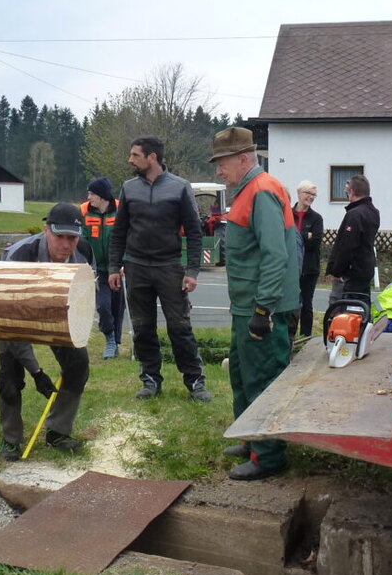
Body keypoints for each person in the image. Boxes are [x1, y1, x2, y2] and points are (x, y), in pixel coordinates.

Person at [210, 127, 300, 481]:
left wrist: (264, 309)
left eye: (223, 163)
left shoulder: (262, 191)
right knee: (242, 374)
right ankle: (250, 437)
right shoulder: (249, 190)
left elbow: (275, 256)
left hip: (263, 308)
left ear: (244, 159)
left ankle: (269, 456)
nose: (219, 171)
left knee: (263, 379)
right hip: (246, 306)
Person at [108, 136, 212, 402]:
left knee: (180, 327)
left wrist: (192, 271)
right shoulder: (129, 188)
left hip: (169, 267)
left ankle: (195, 382)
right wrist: (113, 267)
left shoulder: (180, 187)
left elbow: (194, 231)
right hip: (136, 267)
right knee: (143, 328)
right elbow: (119, 231)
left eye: (135, 155)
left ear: (152, 157)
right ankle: (150, 380)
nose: (130, 160)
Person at [0, 203, 93, 462]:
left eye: (72, 238)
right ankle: (10, 439)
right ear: (46, 230)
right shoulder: (19, 256)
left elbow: (83, 297)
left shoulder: (84, 252)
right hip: (14, 313)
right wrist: (37, 372)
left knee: (78, 364)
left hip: (58, 312)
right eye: (60, 237)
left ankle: (58, 432)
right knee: (9, 376)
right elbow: (12, 323)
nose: (66, 245)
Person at [81, 176, 124, 359]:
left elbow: (129, 236)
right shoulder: (84, 211)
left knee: (117, 307)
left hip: (117, 269)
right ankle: (109, 339)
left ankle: (115, 342)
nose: (88, 197)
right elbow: (81, 241)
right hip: (96, 270)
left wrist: (124, 263)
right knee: (103, 306)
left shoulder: (121, 209)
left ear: (102, 195)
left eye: (92, 193)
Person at [326, 174, 380, 303]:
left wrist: (338, 271)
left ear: (352, 192)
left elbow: (347, 246)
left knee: (340, 307)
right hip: (365, 270)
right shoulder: (374, 212)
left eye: (347, 193)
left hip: (351, 274)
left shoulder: (354, 214)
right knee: (360, 306)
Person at [290, 180, 323, 338]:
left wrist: (297, 237)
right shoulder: (288, 215)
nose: (311, 197)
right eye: (308, 193)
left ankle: (305, 337)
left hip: (309, 268)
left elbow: (315, 243)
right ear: (299, 193)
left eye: (313, 195)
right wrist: (306, 236)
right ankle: (289, 336)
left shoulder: (316, 218)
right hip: (290, 267)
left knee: (306, 304)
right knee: (290, 303)